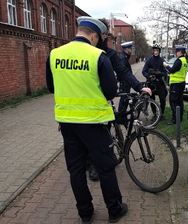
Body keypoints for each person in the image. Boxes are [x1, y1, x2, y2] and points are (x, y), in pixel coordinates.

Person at [46, 16, 128, 224]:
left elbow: (51, 87)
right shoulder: (98, 56)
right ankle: (115, 210)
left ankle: (85, 213)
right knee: (105, 168)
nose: (98, 42)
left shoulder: (54, 54)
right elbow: (110, 91)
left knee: (76, 170)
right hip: (94, 122)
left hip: (67, 123)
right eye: (97, 38)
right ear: (93, 35)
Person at [87, 19, 151, 182]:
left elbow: (123, 72)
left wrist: (139, 87)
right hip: (85, 102)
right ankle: (93, 166)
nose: (106, 38)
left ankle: (104, 158)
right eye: (106, 35)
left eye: (107, 35)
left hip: (103, 101)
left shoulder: (110, 54)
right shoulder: (84, 52)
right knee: (92, 137)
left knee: (105, 131)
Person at [142, 43, 168, 119]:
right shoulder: (149, 60)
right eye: (154, 50)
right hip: (151, 83)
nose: (155, 52)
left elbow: (165, 72)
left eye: (157, 50)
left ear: (159, 51)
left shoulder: (162, 60)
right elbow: (144, 71)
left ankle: (161, 114)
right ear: (153, 51)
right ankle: (154, 114)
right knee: (151, 99)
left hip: (159, 82)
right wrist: (149, 76)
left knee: (162, 99)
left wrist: (160, 73)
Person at [164, 45, 188, 124]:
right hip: (181, 83)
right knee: (180, 101)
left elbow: (172, 70)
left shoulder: (179, 60)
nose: (176, 53)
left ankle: (175, 119)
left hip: (176, 85)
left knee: (173, 102)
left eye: (177, 51)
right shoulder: (184, 60)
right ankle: (179, 118)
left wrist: (166, 66)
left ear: (180, 52)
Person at [117, 41, 136, 114]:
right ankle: (120, 116)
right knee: (124, 100)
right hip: (124, 82)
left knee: (125, 99)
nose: (131, 50)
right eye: (130, 48)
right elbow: (122, 72)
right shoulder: (123, 58)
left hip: (126, 82)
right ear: (126, 49)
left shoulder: (125, 57)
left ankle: (122, 115)